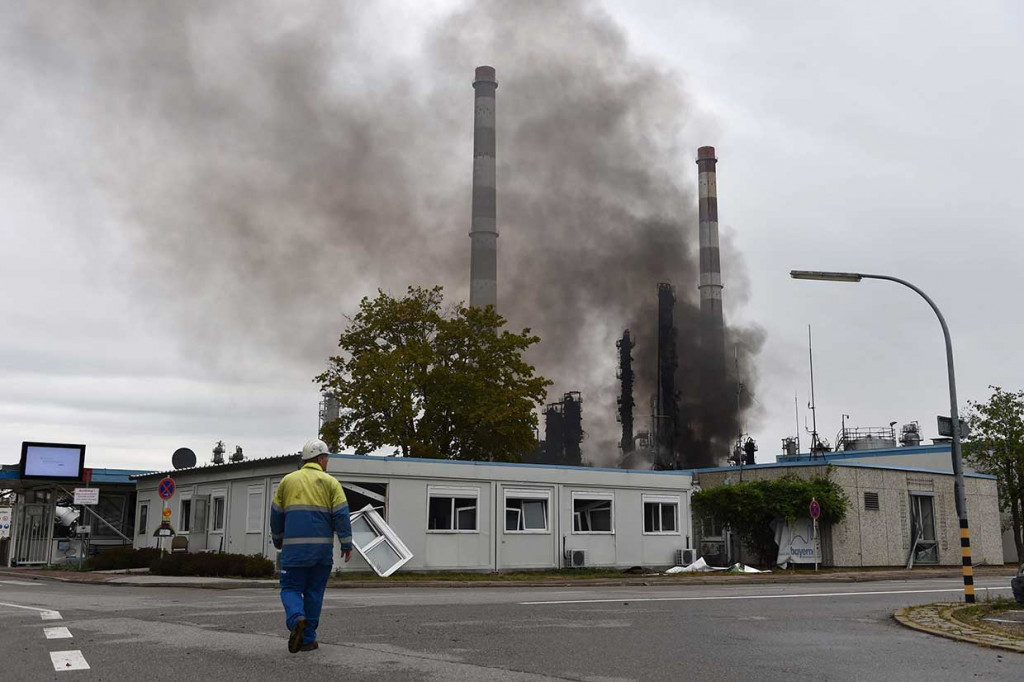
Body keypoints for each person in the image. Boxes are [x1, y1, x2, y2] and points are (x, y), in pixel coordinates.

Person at [270, 439, 352, 653]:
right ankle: (308, 639)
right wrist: (346, 543)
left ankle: (297, 618)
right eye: (327, 459)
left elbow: (276, 515)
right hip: (321, 553)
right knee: (315, 592)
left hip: (294, 552)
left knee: (290, 588)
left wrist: (278, 539)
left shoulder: (287, 482)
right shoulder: (331, 483)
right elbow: (342, 515)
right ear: (322, 459)